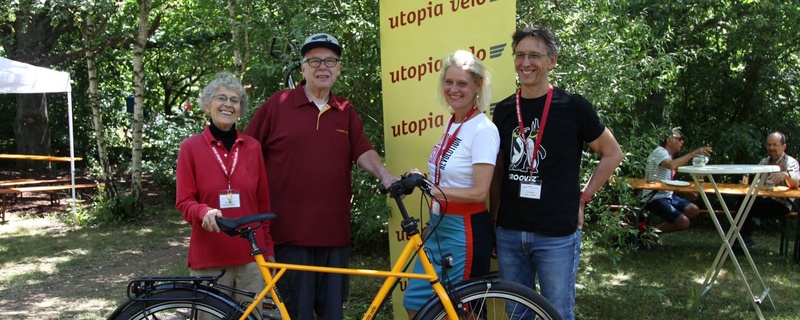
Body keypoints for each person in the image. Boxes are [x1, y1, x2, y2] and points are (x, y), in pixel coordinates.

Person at [243, 32, 398, 320]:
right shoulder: (278, 104)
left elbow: (362, 151)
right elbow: (246, 152)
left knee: (332, 313)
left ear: (338, 69)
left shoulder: (344, 110)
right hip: (288, 234)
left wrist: (386, 176)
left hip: (334, 234)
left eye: (330, 61)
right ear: (302, 68)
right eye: (314, 61)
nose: (323, 67)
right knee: (295, 313)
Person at [489, 27, 624, 320]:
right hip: (510, 232)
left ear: (552, 61)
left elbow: (612, 153)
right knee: (516, 313)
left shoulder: (573, 107)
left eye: (534, 56)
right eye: (520, 55)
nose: (526, 63)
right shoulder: (502, 111)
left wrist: (583, 197)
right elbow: (498, 169)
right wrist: (493, 216)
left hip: (556, 234)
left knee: (558, 313)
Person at [403, 50, 500, 317]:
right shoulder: (454, 122)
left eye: (462, 83)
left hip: (464, 232)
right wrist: (424, 178)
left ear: (478, 86)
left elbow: (480, 191)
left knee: (463, 312)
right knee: (416, 304)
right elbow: (449, 175)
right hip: (438, 227)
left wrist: (433, 190)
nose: (453, 89)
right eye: (449, 82)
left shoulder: (483, 130)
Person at [175, 72, 273, 317]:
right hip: (210, 257)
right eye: (221, 98)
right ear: (208, 105)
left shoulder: (253, 147)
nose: (228, 104)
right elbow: (184, 201)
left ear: (241, 109)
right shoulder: (190, 148)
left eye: (235, 100)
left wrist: (268, 251)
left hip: (251, 258)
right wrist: (203, 211)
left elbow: (263, 205)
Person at [737, 131, 800, 251]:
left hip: (782, 203)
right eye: (769, 145)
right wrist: (749, 185)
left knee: (744, 207)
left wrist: (786, 175)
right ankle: (741, 240)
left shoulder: (791, 162)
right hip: (764, 199)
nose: (771, 148)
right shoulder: (764, 162)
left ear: (783, 146)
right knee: (743, 200)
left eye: (775, 145)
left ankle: (741, 240)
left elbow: (796, 184)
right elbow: (757, 182)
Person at [642, 128, 712, 232]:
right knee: (684, 222)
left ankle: (651, 231)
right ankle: (647, 235)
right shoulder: (659, 152)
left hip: (667, 196)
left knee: (693, 210)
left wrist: (684, 190)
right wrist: (694, 153)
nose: (682, 142)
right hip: (653, 197)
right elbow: (671, 165)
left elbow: (667, 182)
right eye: (679, 139)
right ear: (669, 140)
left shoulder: (667, 155)